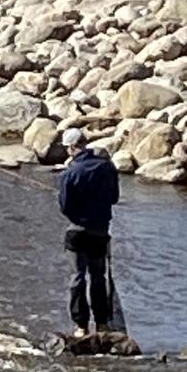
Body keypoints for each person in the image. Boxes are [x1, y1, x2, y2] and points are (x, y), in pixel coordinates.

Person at [58, 128, 120, 338]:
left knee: (77, 277)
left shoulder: (69, 173)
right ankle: (101, 323)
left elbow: (64, 207)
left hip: (77, 231)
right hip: (100, 232)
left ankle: (81, 326)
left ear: (71, 148)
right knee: (98, 277)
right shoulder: (107, 168)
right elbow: (114, 198)